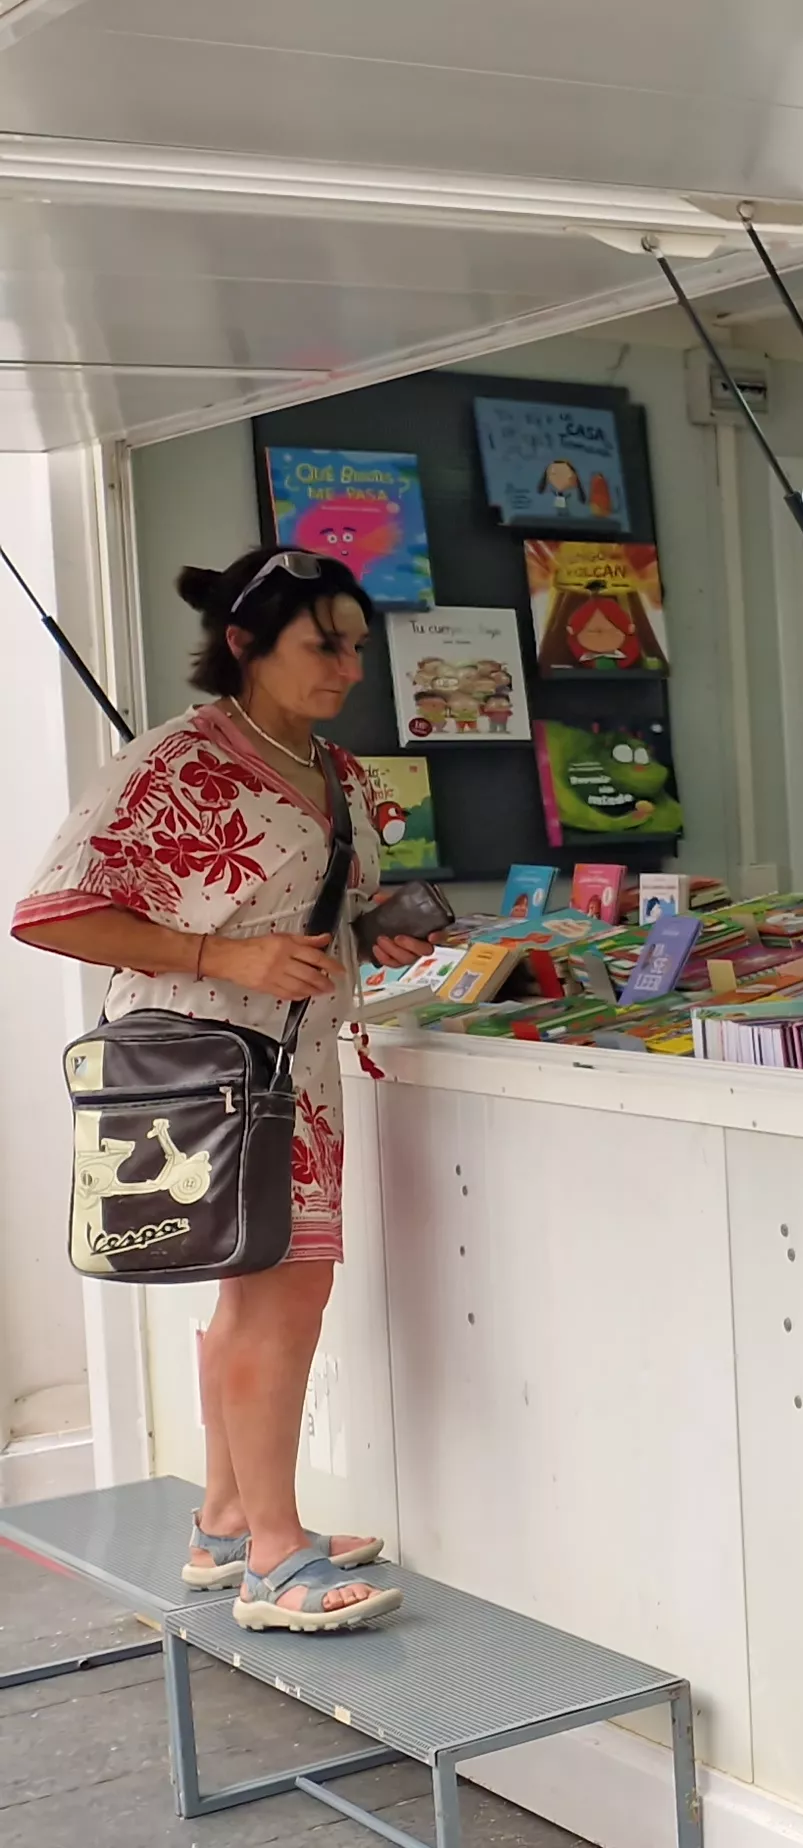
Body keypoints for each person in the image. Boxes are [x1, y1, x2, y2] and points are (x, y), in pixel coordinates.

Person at [16, 545, 425, 1632]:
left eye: (354, 646)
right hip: (211, 1074)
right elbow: (53, 911)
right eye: (321, 645)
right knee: (278, 1299)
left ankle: (228, 1519)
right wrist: (224, 959)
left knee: (255, 1296)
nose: (346, 666)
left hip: (296, 1068)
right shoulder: (177, 763)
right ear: (245, 645)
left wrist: (380, 936)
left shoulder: (331, 768)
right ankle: (274, 1562)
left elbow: (324, 905)